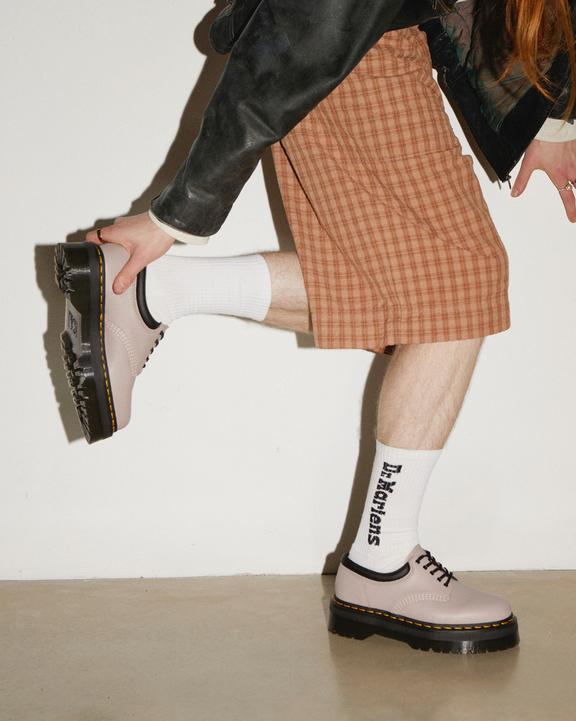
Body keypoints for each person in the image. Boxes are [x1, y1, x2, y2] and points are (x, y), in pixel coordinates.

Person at [54, 0, 576, 653]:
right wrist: (178, 212)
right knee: (461, 284)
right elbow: (313, 15)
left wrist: (547, 115)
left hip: (370, 44)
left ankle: (150, 292)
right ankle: (381, 564)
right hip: (358, 48)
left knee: (417, 297)